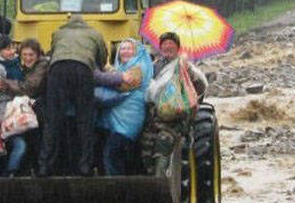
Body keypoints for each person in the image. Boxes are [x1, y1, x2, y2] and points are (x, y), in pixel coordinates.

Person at [39, 14, 108, 176]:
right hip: (83, 69)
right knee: (85, 120)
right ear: (84, 23)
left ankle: (44, 166)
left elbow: (53, 52)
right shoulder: (95, 34)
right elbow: (102, 59)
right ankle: (85, 167)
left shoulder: (58, 33)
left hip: (57, 70)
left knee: (53, 120)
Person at [140, 32, 207, 176]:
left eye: (171, 44)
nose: (167, 46)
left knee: (163, 144)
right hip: (155, 117)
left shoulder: (185, 65)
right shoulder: (154, 66)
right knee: (145, 147)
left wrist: (188, 70)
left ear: (177, 47)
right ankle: (150, 179)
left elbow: (201, 87)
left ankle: (161, 182)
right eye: (164, 44)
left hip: (176, 118)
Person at [0, 38, 49, 174]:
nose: (28, 58)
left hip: (42, 108)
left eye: (31, 55)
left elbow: (29, 88)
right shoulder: (25, 67)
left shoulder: (42, 65)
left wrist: (4, 84)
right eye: (25, 55)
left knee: (38, 139)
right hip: (31, 108)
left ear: (37, 55)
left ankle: (40, 169)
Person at [98, 39, 153, 176]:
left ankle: (116, 188)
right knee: (118, 155)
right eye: (122, 49)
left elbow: (123, 86)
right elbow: (116, 79)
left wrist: (103, 75)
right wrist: (114, 74)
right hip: (115, 119)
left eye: (129, 48)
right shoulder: (121, 69)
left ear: (136, 52)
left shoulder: (140, 67)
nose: (125, 51)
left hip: (129, 118)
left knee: (111, 153)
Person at [0, 34, 27, 177]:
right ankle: (9, 172)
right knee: (14, 144)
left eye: (13, 48)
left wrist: (10, 88)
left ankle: (9, 172)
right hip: (0, 115)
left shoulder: (16, 63)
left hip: (16, 111)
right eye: (8, 49)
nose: (12, 51)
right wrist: (17, 92)